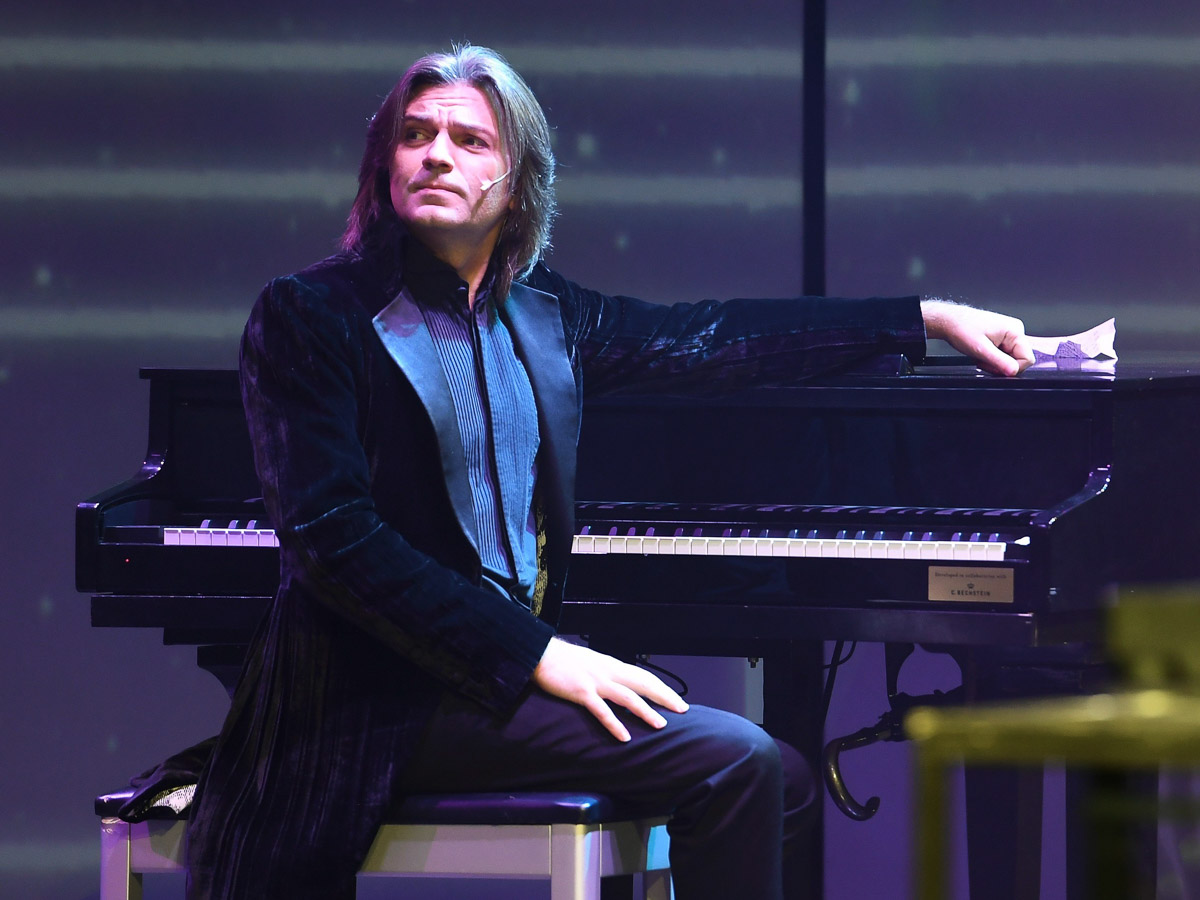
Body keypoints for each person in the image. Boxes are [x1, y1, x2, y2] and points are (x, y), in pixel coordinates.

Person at [184, 44, 1033, 900]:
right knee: (738, 763)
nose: (436, 155)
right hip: (374, 703)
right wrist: (536, 653)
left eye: (470, 141)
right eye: (415, 135)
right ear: (384, 165)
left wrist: (923, 319)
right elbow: (337, 546)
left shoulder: (543, 314)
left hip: (494, 684)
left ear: (517, 185)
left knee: (782, 776)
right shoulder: (311, 313)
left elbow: (711, 337)